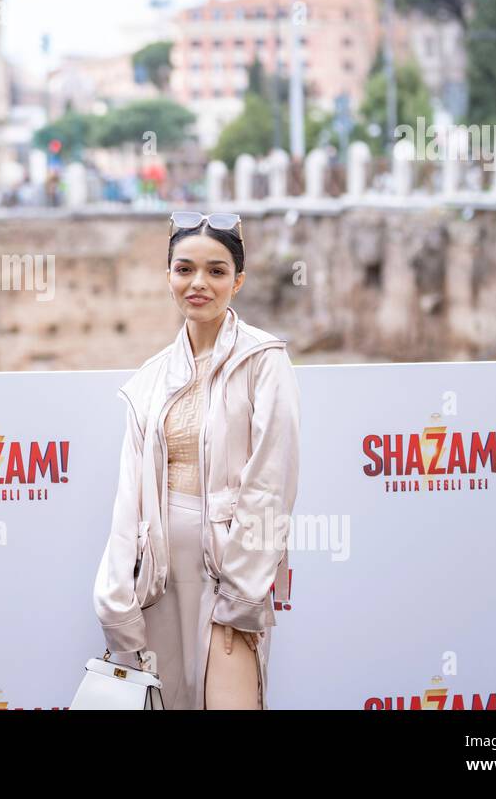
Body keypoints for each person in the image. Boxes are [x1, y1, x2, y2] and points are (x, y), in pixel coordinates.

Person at [92, 212, 300, 710]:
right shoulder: (148, 380)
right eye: (184, 269)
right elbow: (129, 502)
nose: (198, 283)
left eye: (216, 271)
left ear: (238, 281)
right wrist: (116, 603)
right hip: (158, 579)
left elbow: (272, 482)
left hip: (229, 574)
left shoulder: (263, 361)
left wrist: (243, 593)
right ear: (168, 276)